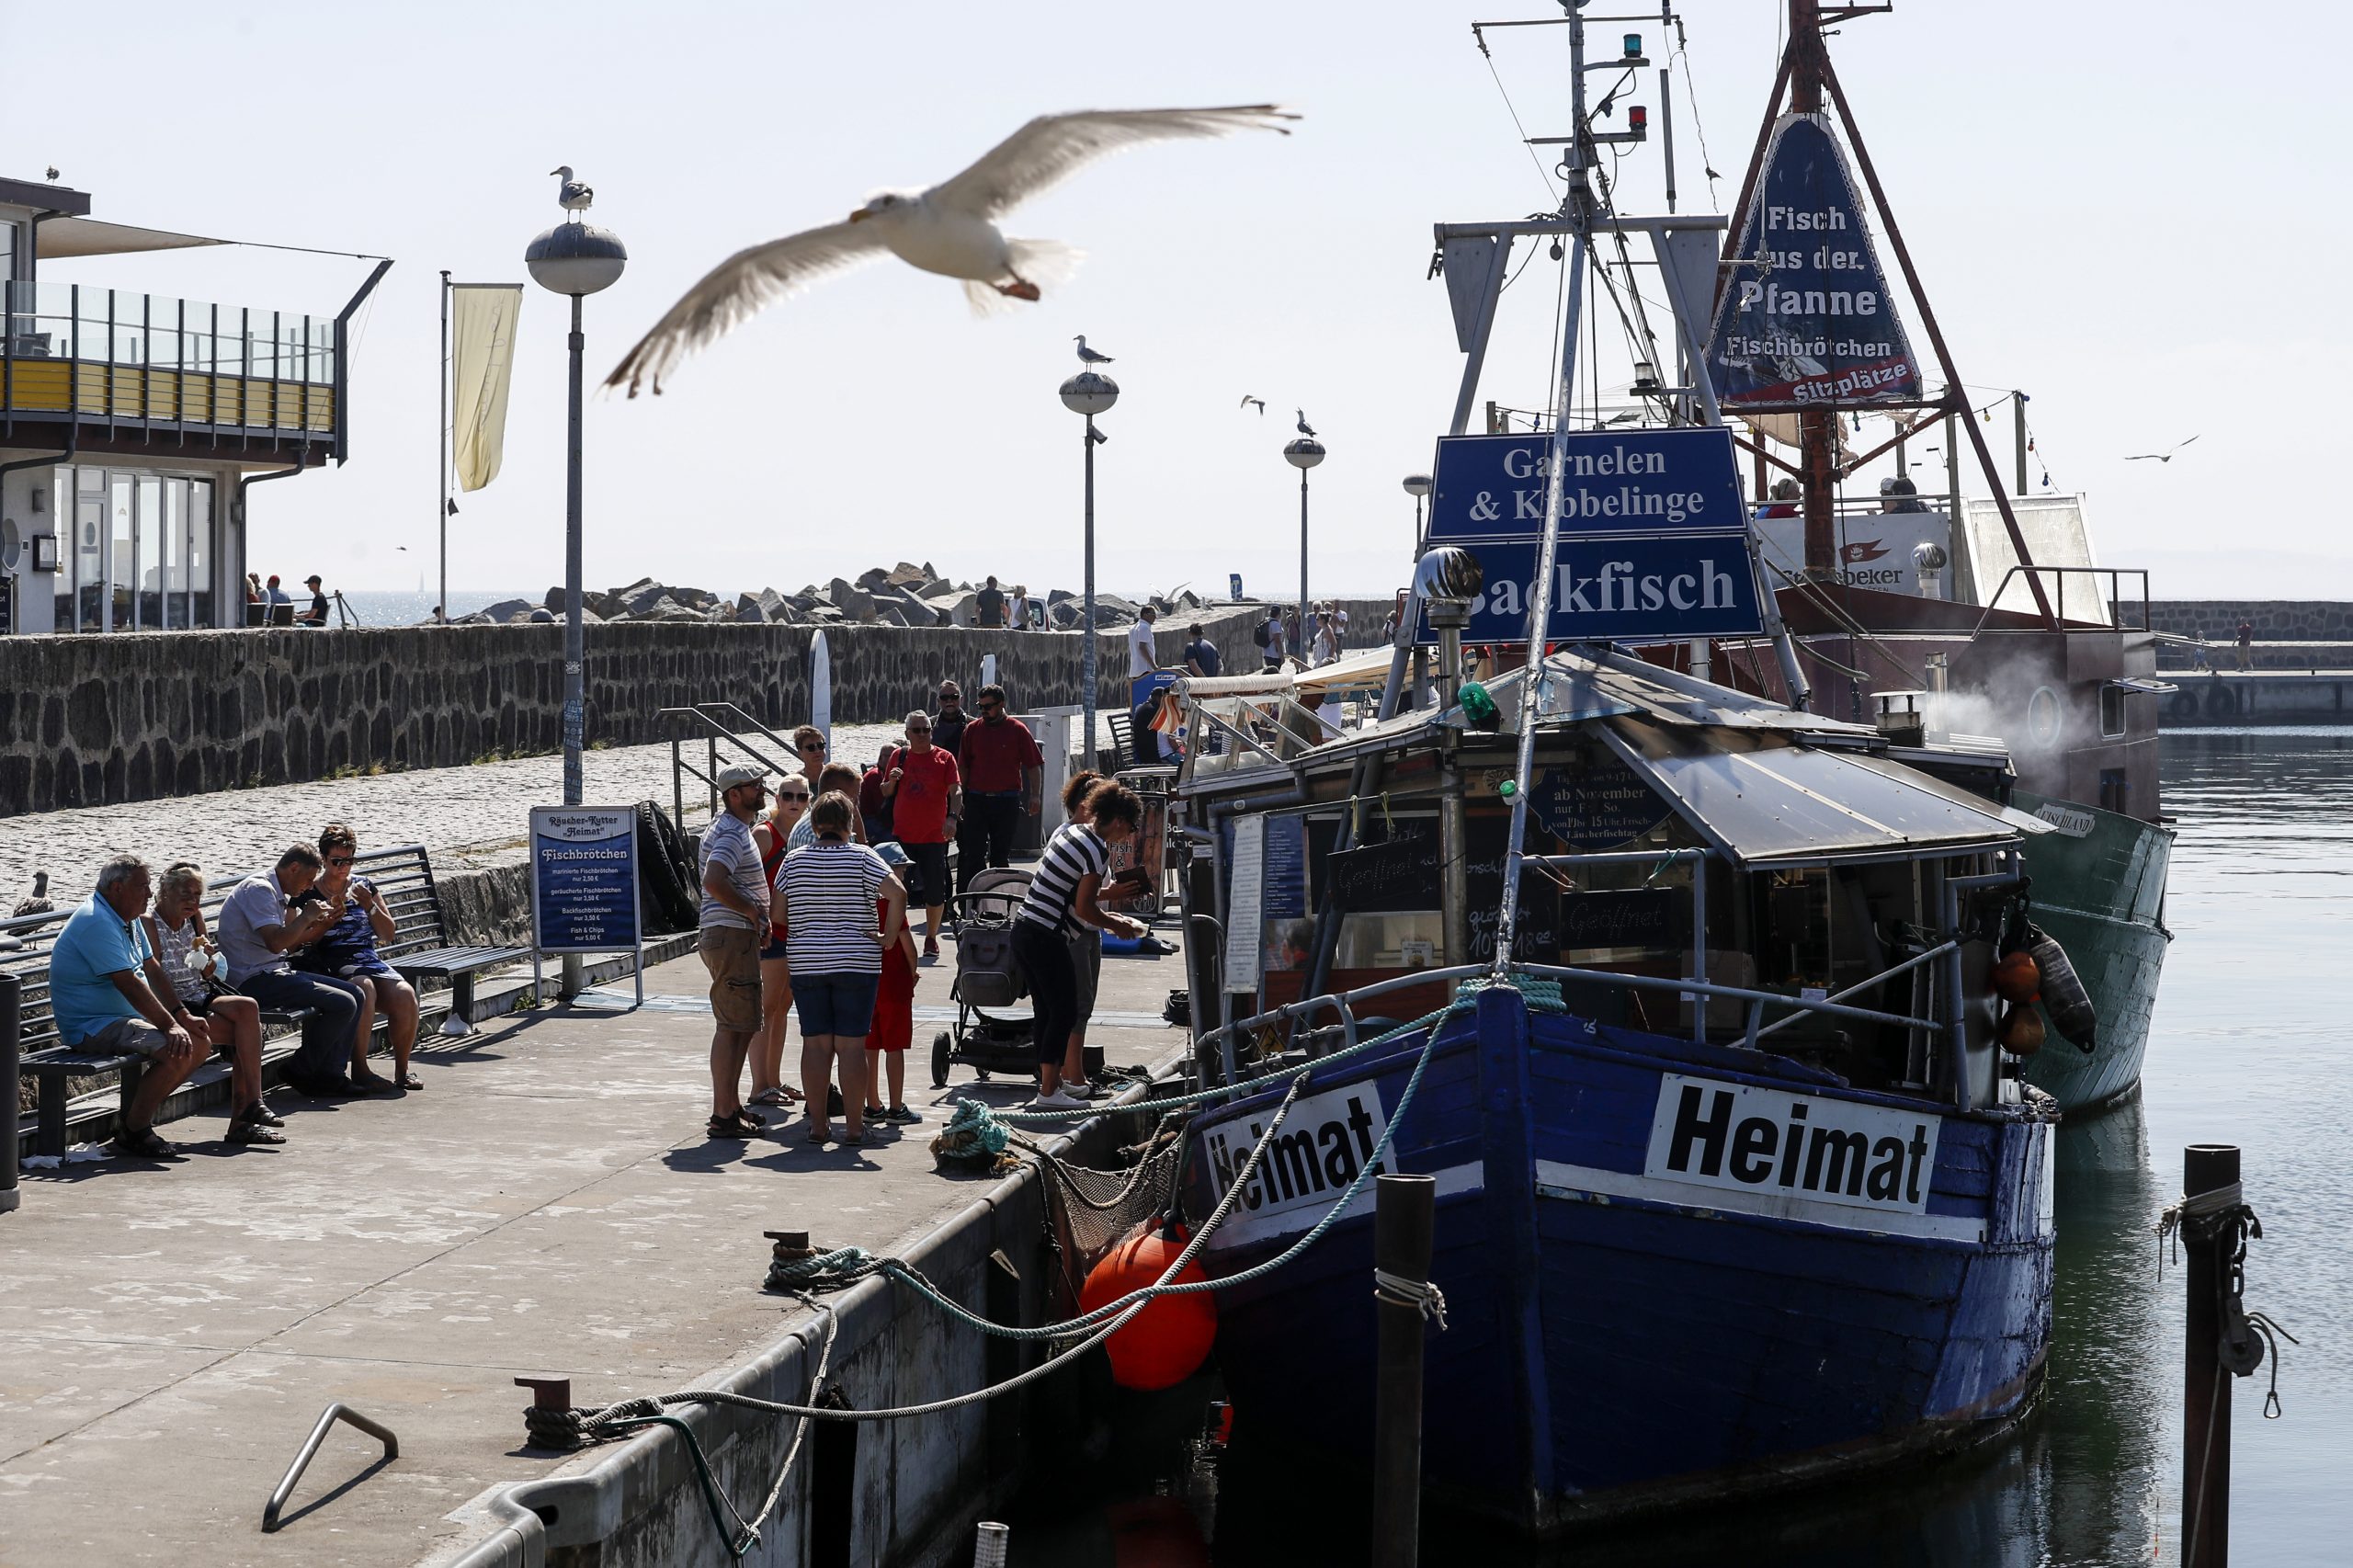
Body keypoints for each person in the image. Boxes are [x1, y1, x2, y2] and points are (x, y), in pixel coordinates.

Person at [48, 857, 210, 1157]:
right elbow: (128, 984)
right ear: (118, 888)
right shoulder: (95, 920)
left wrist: (181, 1015)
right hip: (93, 1026)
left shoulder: (128, 918)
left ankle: (134, 1124)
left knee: (199, 1042)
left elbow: (151, 968)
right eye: (143, 887)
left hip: (123, 1020)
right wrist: (170, 1026)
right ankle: (135, 1129)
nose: (149, 894)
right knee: (181, 1049)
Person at [776, 790, 902, 1144]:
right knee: (851, 1047)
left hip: (807, 962)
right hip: (857, 962)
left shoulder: (794, 860)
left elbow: (777, 914)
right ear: (850, 824)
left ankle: (818, 1125)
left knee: (815, 1045)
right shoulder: (865, 857)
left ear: (814, 824)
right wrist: (887, 936)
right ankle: (855, 1127)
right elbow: (898, 893)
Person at [1012, 782, 1149, 1108]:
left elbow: (1074, 894)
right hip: (1046, 934)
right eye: (1130, 828)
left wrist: (1113, 909)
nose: (1127, 836)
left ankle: (1053, 1083)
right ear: (1118, 820)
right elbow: (1085, 908)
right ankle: (1048, 1093)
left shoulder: (1072, 834)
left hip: (1025, 929)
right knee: (1064, 1011)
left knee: (1047, 1011)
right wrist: (1119, 926)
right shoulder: (1095, 849)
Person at [140, 861, 280, 1145]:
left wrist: (208, 959)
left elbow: (210, 973)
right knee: (246, 1036)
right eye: (185, 894)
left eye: (197, 895)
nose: (192, 901)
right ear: (165, 892)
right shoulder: (148, 922)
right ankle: (243, 1119)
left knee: (248, 1007)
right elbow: (152, 973)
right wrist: (178, 1011)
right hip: (171, 1003)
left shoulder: (194, 919)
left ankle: (253, 1100)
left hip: (198, 993)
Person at [217, 845, 369, 1096]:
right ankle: (300, 1070)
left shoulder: (274, 891)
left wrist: (321, 924)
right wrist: (306, 917)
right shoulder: (259, 889)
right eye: (309, 879)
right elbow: (275, 942)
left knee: (356, 994)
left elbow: (290, 943)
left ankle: (331, 1074)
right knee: (343, 1003)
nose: (309, 887)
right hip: (250, 978)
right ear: (294, 868)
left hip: (273, 971)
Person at [295, 824, 422, 1092]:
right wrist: (326, 922)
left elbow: (388, 934)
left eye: (349, 860)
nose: (344, 867)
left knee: (405, 995)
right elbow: (300, 941)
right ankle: (361, 1068)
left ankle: (403, 1070)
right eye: (337, 861)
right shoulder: (311, 893)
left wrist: (370, 906)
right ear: (324, 859)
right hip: (330, 962)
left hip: (367, 957)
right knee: (364, 987)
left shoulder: (363, 887)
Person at [698, 764, 771, 1140]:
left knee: (741, 1026)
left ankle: (730, 1103)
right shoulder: (730, 832)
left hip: (733, 934)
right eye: (754, 785)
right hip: (730, 934)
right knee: (732, 1027)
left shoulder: (731, 828)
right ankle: (722, 1113)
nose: (762, 789)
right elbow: (714, 880)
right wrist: (749, 909)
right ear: (734, 794)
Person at [749, 774, 812, 1113]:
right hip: (768, 932)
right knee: (765, 1008)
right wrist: (757, 920)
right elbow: (745, 877)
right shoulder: (764, 833)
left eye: (801, 797)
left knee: (782, 1008)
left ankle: (773, 1079)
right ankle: (760, 1085)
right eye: (787, 795)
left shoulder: (804, 834)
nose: (794, 802)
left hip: (795, 932)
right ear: (777, 797)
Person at [880, 708, 961, 960]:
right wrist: (892, 781)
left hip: (934, 836)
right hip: (903, 835)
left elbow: (956, 791)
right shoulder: (899, 756)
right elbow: (884, 792)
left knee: (935, 890)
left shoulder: (945, 758)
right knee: (895, 889)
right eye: (917, 730)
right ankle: (897, 933)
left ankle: (931, 938)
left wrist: (952, 817)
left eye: (927, 729)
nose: (923, 734)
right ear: (907, 733)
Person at [955, 684, 1043, 896]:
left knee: (1000, 855)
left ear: (1001, 704)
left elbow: (1033, 765)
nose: (984, 711)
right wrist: (960, 799)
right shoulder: (973, 730)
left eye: (989, 706)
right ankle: (971, 901)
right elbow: (963, 767)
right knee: (973, 854)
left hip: (1007, 801)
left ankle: (997, 901)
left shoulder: (1017, 730)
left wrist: (1035, 795)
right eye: (980, 706)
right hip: (977, 799)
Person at [860, 839, 924, 1128]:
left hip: (867, 981)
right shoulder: (894, 904)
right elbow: (908, 948)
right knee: (894, 1047)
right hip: (894, 983)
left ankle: (872, 1104)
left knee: (869, 1046)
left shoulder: (864, 903)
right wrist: (913, 972)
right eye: (900, 868)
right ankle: (896, 1107)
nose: (904, 873)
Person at [931, 682, 970, 760]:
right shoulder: (927, 727)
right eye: (944, 697)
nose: (949, 701)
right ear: (938, 701)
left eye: (954, 697)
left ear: (961, 699)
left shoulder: (973, 725)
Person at [791, 725, 829, 793]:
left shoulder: (836, 776)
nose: (817, 751)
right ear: (800, 753)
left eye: (820, 746)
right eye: (811, 748)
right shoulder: (795, 782)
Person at [1127, 604, 1159, 677]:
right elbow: (1142, 647)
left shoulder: (1133, 628)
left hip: (1136, 669)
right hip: (1145, 669)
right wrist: (1154, 666)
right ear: (1145, 615)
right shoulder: (1144, 628)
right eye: (1153, 614)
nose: (1155, 617)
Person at [1256, 606, 1286, 671]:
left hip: (1267, 653)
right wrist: (1282, 656)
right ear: (1279, 614)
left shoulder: (1267, 621)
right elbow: (1277, 641)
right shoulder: (1275, 624)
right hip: (1274, 655)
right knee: (1275, 673)